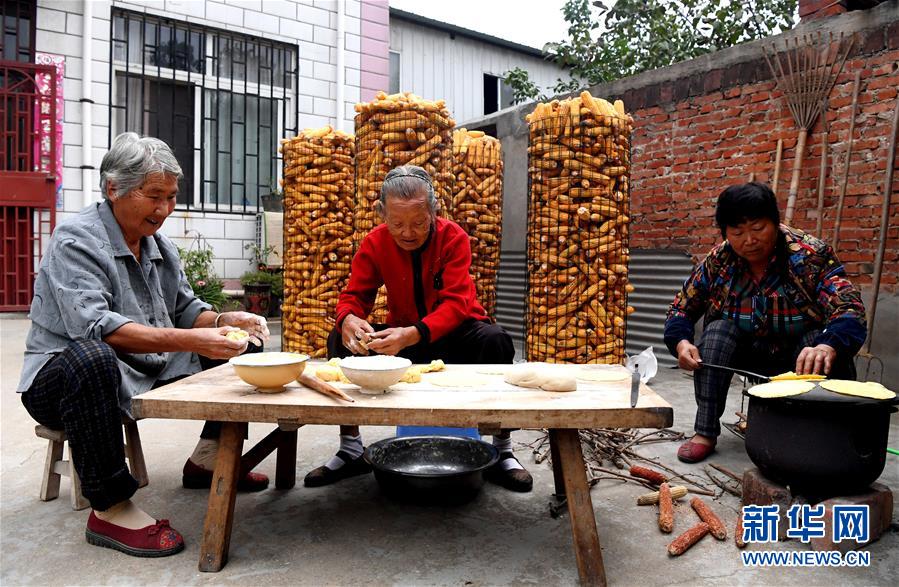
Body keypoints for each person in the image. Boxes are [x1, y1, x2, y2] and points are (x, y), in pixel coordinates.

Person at [17, 132, 271, 557]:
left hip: (141, 367)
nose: (164, 209)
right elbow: (98, 328)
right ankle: (110, 507)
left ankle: (208, 459)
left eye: (171, 197)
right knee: (92, 357)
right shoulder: (75, 240)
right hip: (65, 381)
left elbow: (186, 309)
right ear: (113, 188)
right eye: (154, 196)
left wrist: (225, 321)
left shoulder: (158, 244)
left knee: (244, 345)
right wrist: (193, 339)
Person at [303, 165, 532, 492]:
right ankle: (351, 447)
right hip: (404, 341)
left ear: (434, 211)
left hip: (455, 335)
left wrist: (411, 333)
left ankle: (502, 449)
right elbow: (354, 296)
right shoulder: (375, 243)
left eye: (419, 223)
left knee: (496, 340)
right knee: (339, 341)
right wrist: (348, 320)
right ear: (381, 213)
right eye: (396, 223)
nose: (407, 233)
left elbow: (457, 304)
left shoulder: (453, 238)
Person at [664, 182, 866, 463]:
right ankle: (705, 431)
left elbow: (849, 307)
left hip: (801, 357)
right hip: (749, 354)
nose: (749, 240)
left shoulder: (809, 255)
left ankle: (822, 434)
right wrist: (681, 342)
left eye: (758, 228)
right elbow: (681, 308)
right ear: (725, 233)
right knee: (717, 332)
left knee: (816, 341)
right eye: (737, 232)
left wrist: (828, 344)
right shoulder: (718, 261)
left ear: (775, 222)